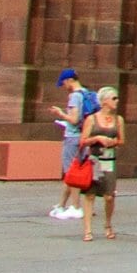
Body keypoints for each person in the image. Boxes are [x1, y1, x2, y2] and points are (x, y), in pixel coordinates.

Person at [76, 88, 126, 243]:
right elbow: (83, 140)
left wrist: (113, 142)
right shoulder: (92, 119)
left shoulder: (118, 120)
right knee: (90, 195)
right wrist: (97, 138)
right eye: (114, 98)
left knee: (109, 196)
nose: (117, 101)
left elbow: (122, 140)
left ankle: (108, 224)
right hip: (94, 160)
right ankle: (87, 230)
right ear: (104, 101)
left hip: (109, 160)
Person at [49, 69, 95, 220]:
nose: (63, 87)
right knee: (75, 171)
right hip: (84, 136)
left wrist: (60, 114)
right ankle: (62, 205)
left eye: (63, 83)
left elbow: (74, 120)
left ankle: (75, 207)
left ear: (69, 80)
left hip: (73, 137)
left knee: (71, 173)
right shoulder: (87, 93)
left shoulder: (74, 96)